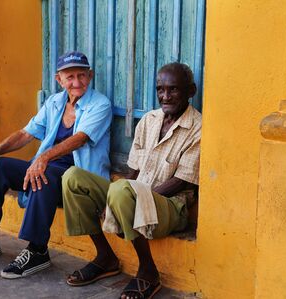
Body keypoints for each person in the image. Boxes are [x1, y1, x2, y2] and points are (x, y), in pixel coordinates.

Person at [0, 51, 113, 279]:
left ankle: (37, 250)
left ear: (90, 76)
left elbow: (80, 138)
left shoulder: (100, 104)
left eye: (81, 76)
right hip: (48, 169)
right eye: (70, 77)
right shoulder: (55, 102)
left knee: (45, 173)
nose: (76, 82)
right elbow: (26, 134)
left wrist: (43, 158)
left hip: (79, 178)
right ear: (59, 80)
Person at [62, 62, 201, 298]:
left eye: (173, 90)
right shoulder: (149, 120)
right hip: (135, 192)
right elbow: (133, 171)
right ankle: (105, 257)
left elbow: (181, 181)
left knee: (122, 191)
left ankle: (148, 271)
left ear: (191, 91)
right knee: (72, 177)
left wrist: (133, 198)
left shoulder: (198, 127)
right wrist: (116, 199)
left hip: (170, 205)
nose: (165, 96)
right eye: (160, 89)